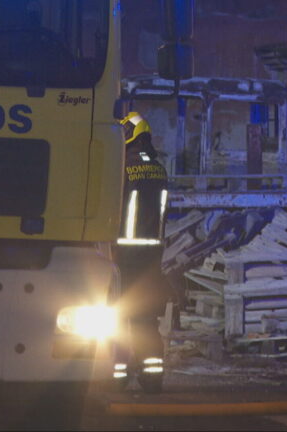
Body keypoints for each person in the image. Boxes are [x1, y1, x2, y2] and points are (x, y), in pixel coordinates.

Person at [113, 111, 170, 393]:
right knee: (146, 318)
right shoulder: (160, 169)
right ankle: (152, 374)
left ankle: (117, 374)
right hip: (153, 256)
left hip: (123, 254)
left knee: (119, 317)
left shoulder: (123, 168)